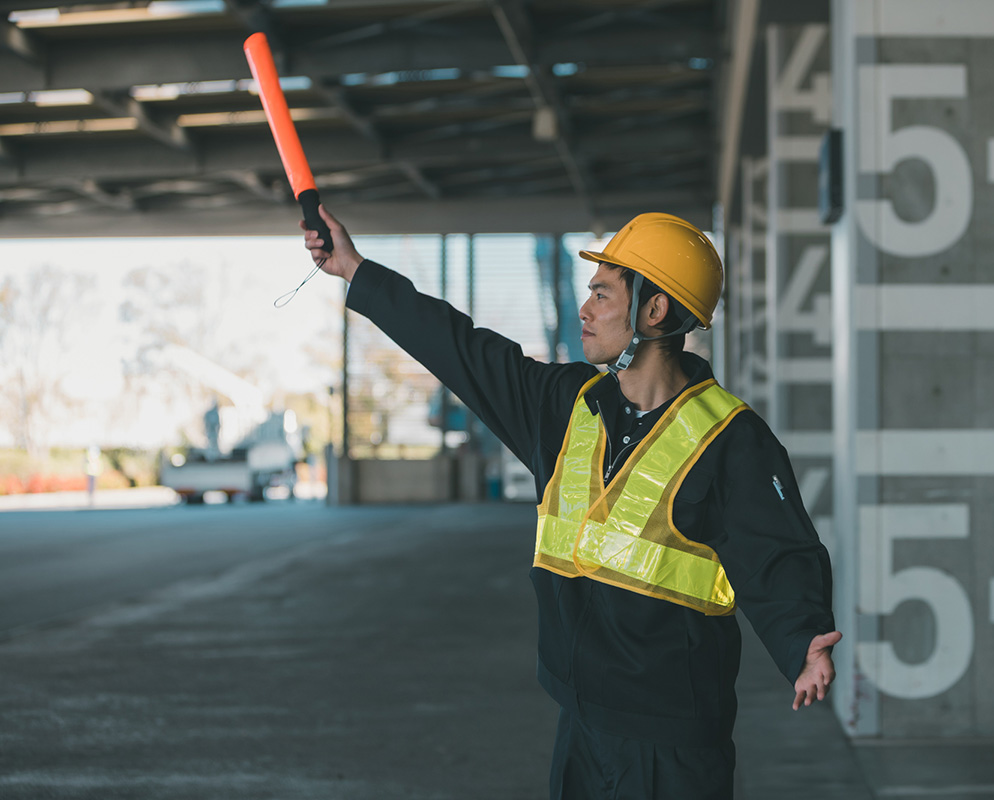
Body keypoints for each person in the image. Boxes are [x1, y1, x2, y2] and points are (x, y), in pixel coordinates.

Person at [302, 206, 840, 800]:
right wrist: (356, 270)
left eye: (604, 295)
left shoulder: (731, 437)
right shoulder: (565, 405)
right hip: (581, 719)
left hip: (672, 742)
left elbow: (780, 551)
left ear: (653, 311)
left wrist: (803, 636)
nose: (586, 309)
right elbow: (459, 348)